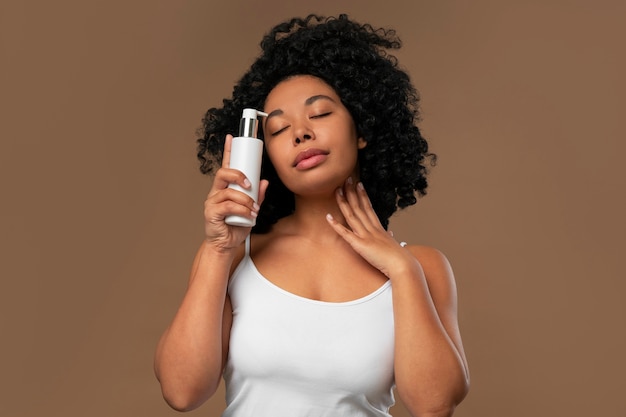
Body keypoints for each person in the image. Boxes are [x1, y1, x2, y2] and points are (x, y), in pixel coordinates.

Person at [154, 14, 469, 417]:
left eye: (319, 114)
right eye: (279, 130)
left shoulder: (421, 268)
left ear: (363, 128)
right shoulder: (232, 256)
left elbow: (434, 406)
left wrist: (401, 269)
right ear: (266, 157)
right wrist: (218, 250)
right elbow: (181, 392)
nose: (301, 133)